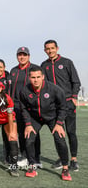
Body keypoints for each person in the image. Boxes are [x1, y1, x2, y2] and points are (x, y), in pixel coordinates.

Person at [19, 66, 71, 181]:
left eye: (38, 77)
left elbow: (63, 107)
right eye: (33, 77)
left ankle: (65, 168)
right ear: (29, 78)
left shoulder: (54, 89)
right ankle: (32, 166)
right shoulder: (24, 91)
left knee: (60, 139)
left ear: (43, 77)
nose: (36, 80)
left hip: (53, 118)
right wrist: (28, 124)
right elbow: (24, 108)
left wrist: (59, 123)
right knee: (29, 138)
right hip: (35, 118)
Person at [41, 39, 81, 171]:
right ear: (44, 50)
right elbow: (44, 85)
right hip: (54, 105)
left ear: (57, 48)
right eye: (47, 49)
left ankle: (73, 159)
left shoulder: (67, 62)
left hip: (68, 102)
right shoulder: (44, 65)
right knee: (58, 133)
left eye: (52, 48)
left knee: (70, 132)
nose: (50, 51)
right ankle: (61, 158)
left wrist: (74, 97)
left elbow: (76, 81)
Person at [10, 47, 41, 168]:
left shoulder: (34, 69)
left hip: (31, 106)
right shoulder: (13, 70)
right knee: (21, 132)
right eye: (19, 55)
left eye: (24, 55)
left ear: (29, 56)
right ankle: (24, 156)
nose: (22, 57)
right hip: (16, 106)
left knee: (34, 132)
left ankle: (36, 158)